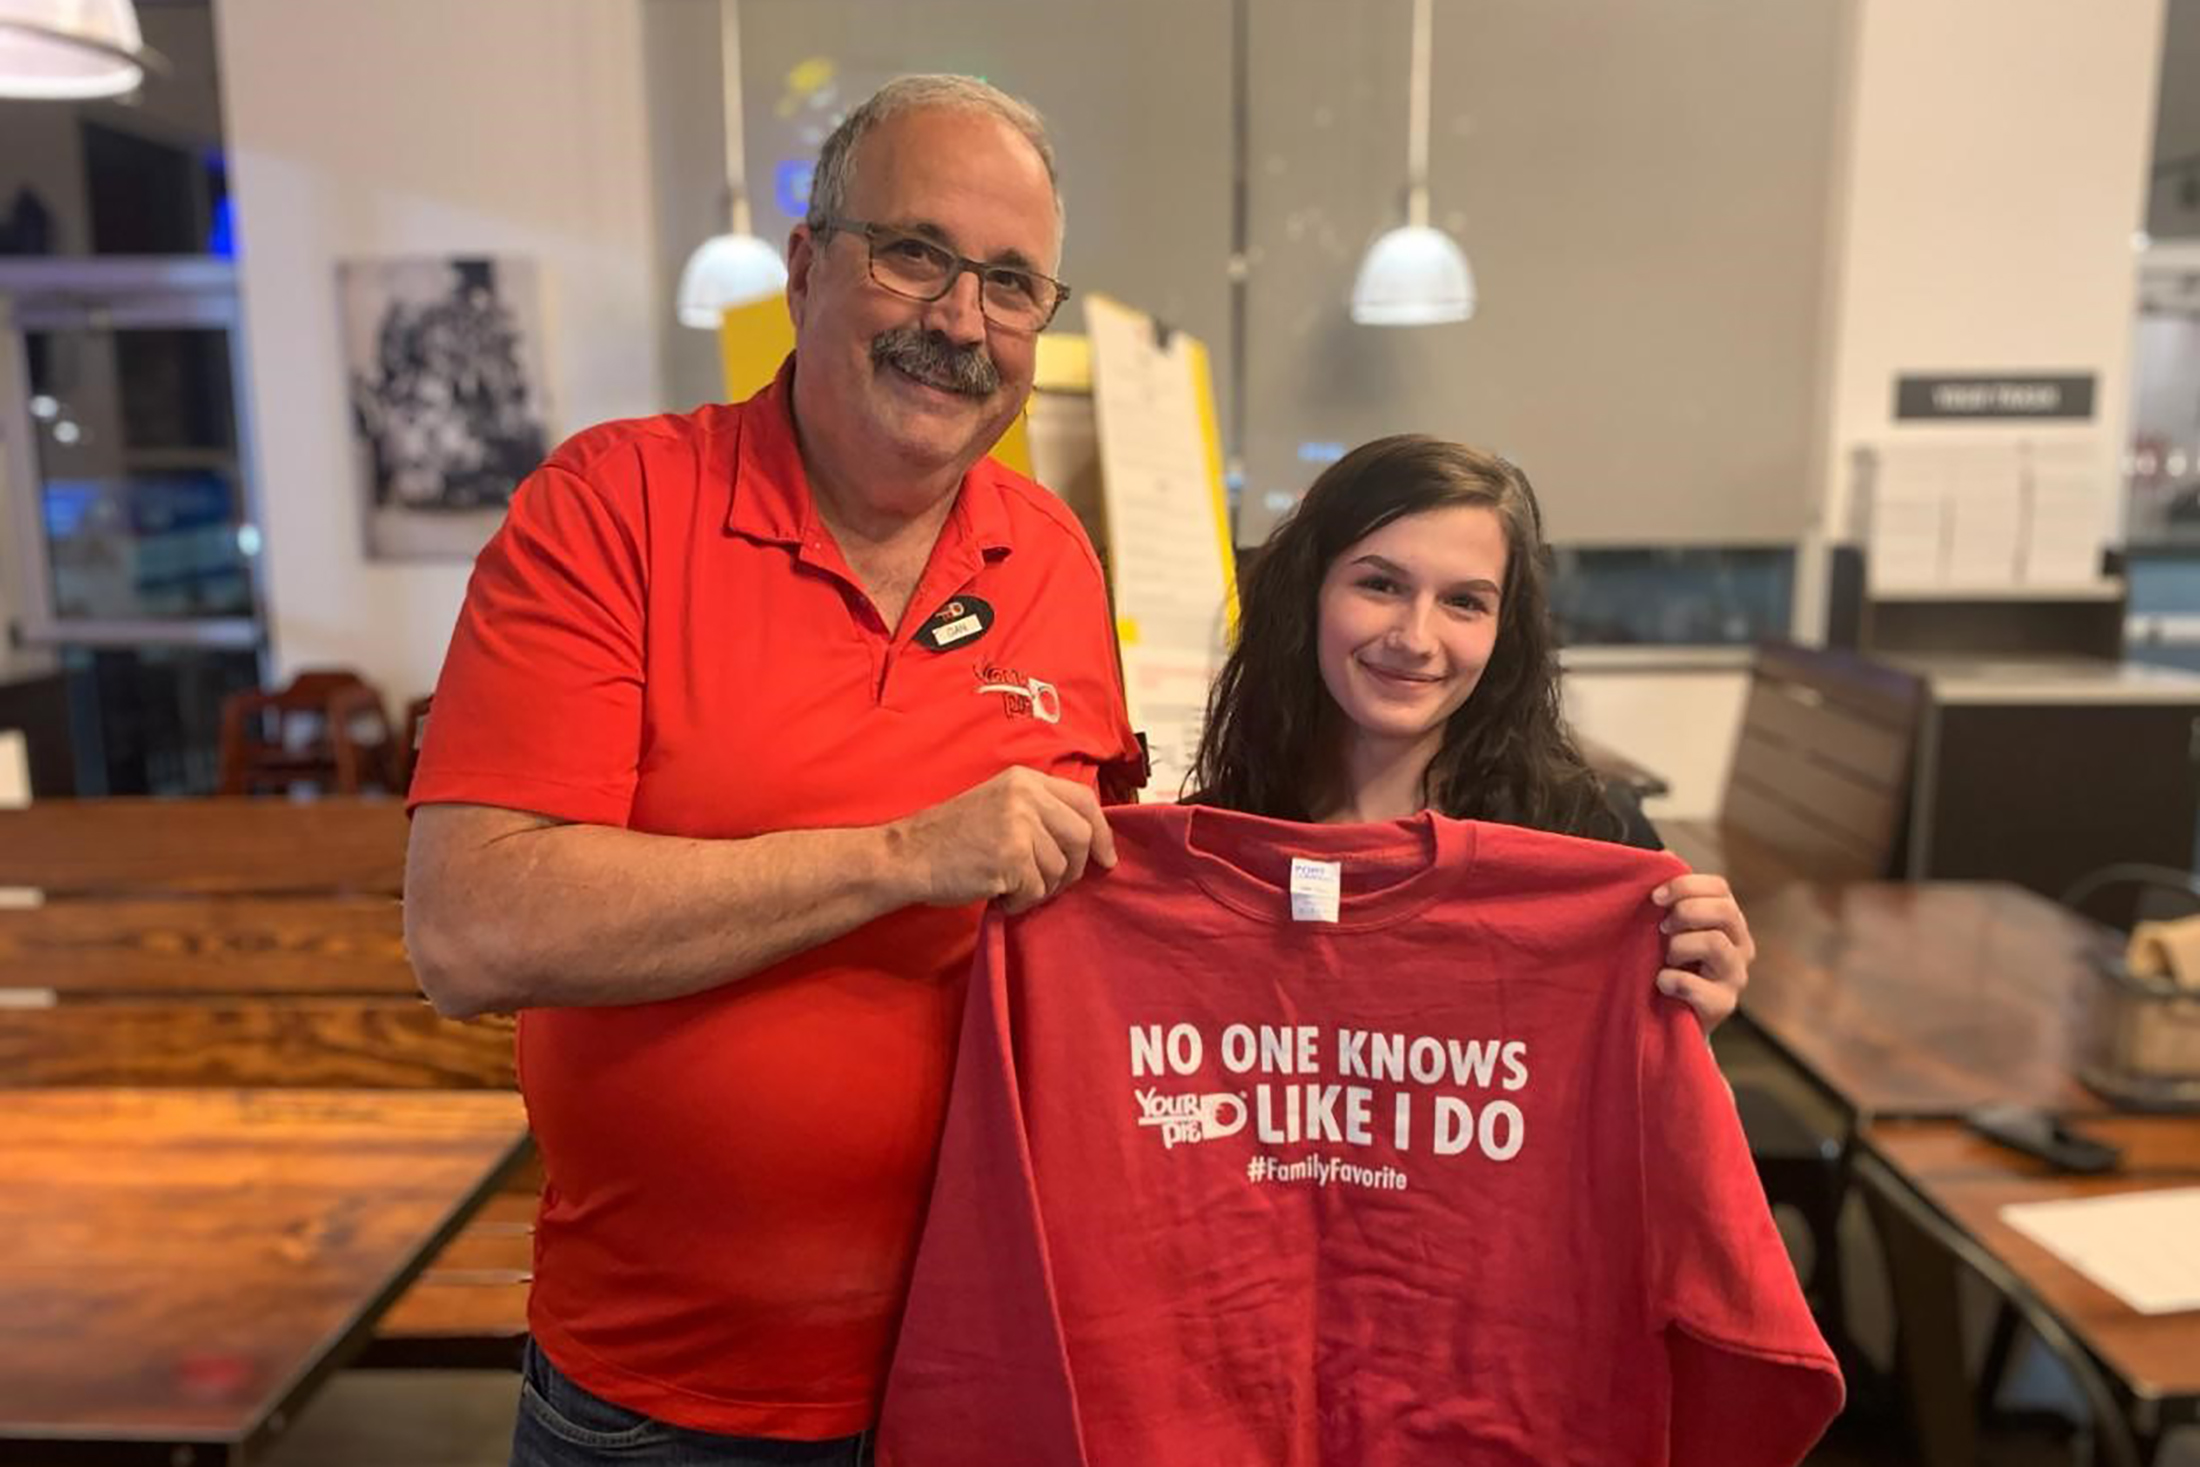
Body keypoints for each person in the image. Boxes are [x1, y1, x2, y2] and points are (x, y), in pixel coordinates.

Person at [403, 76, 1142, 1465]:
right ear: (807, 266)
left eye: (1011, 283)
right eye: (914, 252)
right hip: (665, 1404)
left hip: (992, 1361)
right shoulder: (610, 508)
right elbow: (471, 926)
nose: (959, 321)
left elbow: (1107, 915)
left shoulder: (1054, 557)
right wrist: (904, 854)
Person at [1187, 433, 1753, 1027]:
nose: (1415, 639)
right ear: (1309, 593)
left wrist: (1692, 1026)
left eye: (1464, 602)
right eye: (1380, 585)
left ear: (1503, 632)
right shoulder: (1219, 841)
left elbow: (1644, 1101)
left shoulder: (1589, 841)